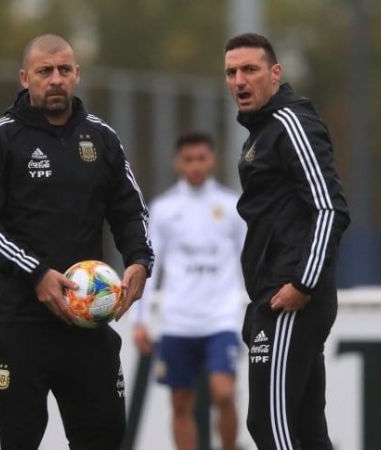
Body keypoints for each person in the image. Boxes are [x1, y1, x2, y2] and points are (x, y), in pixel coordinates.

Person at [0, 34, 153, 450]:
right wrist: (36, 273)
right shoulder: (0, 138)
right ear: (25, 78)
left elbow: (130, 210)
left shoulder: (101, 138)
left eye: (64, 70)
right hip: (20, 323)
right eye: (45, 71)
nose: (55, 79)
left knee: (105, 439)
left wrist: (139, 259)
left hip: (88, 324)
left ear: (77, 75)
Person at [223, 33, 351, 450]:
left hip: (291, 294)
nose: (240, 80)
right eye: (231, 72)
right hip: (275, 292)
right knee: (306, 429)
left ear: (275, 73)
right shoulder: (262, 131)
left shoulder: (289, 123)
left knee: (269, 423)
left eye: (250, 70)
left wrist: (303, 284)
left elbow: (330, 208)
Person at [132, 131, 246, 450]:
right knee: (181, 404)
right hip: (178, 321)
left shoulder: (232, 206)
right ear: (177, 163)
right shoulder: (165, 208)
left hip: (220, 318)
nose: (195, 165)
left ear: (213, 161)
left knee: (223, 392)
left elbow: (250, 262)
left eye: (201, 158)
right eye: (189, 159)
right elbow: (150, 267)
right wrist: (140, 321)